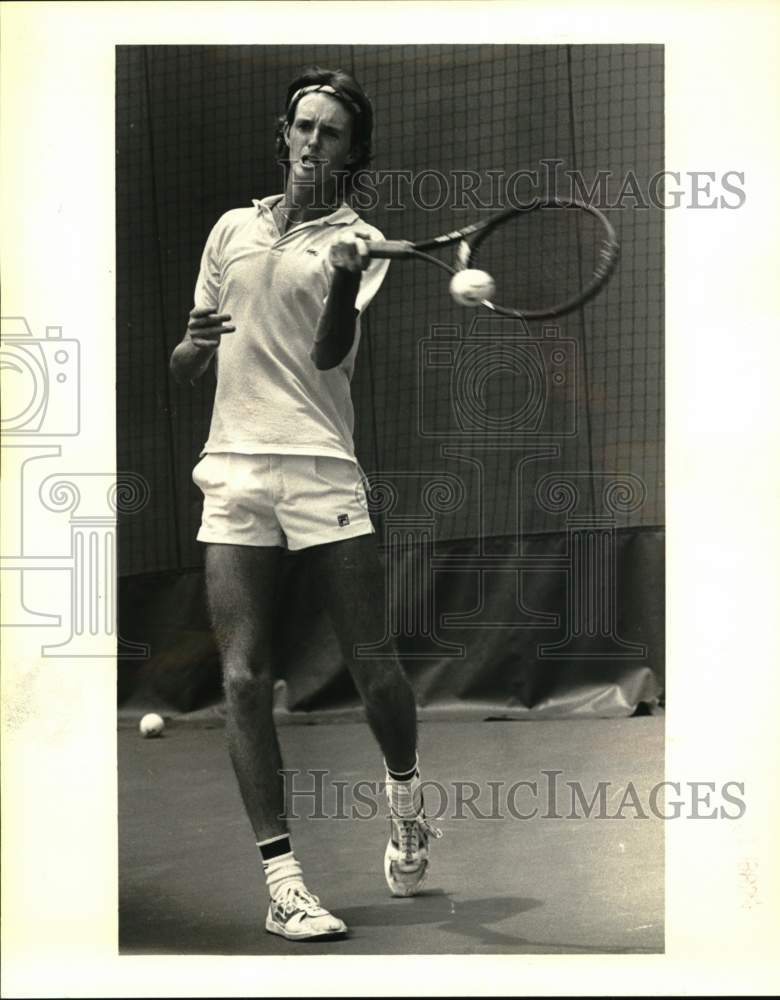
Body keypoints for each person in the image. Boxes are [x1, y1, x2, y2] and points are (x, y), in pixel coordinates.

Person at [169, 66, 439, 942]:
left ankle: (406, 801)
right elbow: (188, 364)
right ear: (284, 135)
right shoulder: (230, 230)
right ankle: (283, 882)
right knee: (243, 678)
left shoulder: (358, 239)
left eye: (330, 132)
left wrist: (344, 278)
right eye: (303, 126)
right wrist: (190, 343)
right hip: (234, 469)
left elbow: (328, 355)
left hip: (321, 465)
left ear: (352, 152)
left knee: (375, 667)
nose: (313, 141)